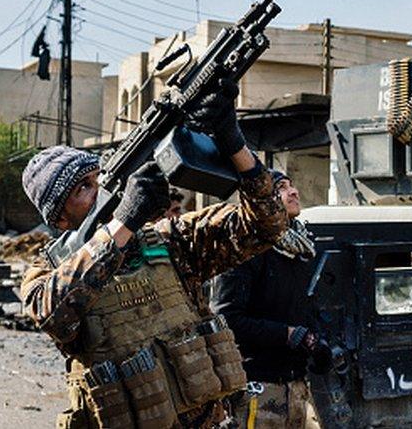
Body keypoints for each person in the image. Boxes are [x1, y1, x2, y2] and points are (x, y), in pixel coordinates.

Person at [20, 83, 288, 428]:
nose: (100, 190)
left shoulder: (170, 240)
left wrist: (232, 141)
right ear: (59, 218)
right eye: (82, 189)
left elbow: (267, 224)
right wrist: (124, 221)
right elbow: (53, 314)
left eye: (98, 178)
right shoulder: (48, 271)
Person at [210, 169, 325, 429]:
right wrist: (286, 334)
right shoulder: (244, 248)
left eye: (292, 185)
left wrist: (318, 342)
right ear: (260, 201)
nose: (294, 191)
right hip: (258, 390)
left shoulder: (302, 249)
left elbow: (308, 310)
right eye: (282, 187)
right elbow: (226, 320)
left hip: (296, 388)